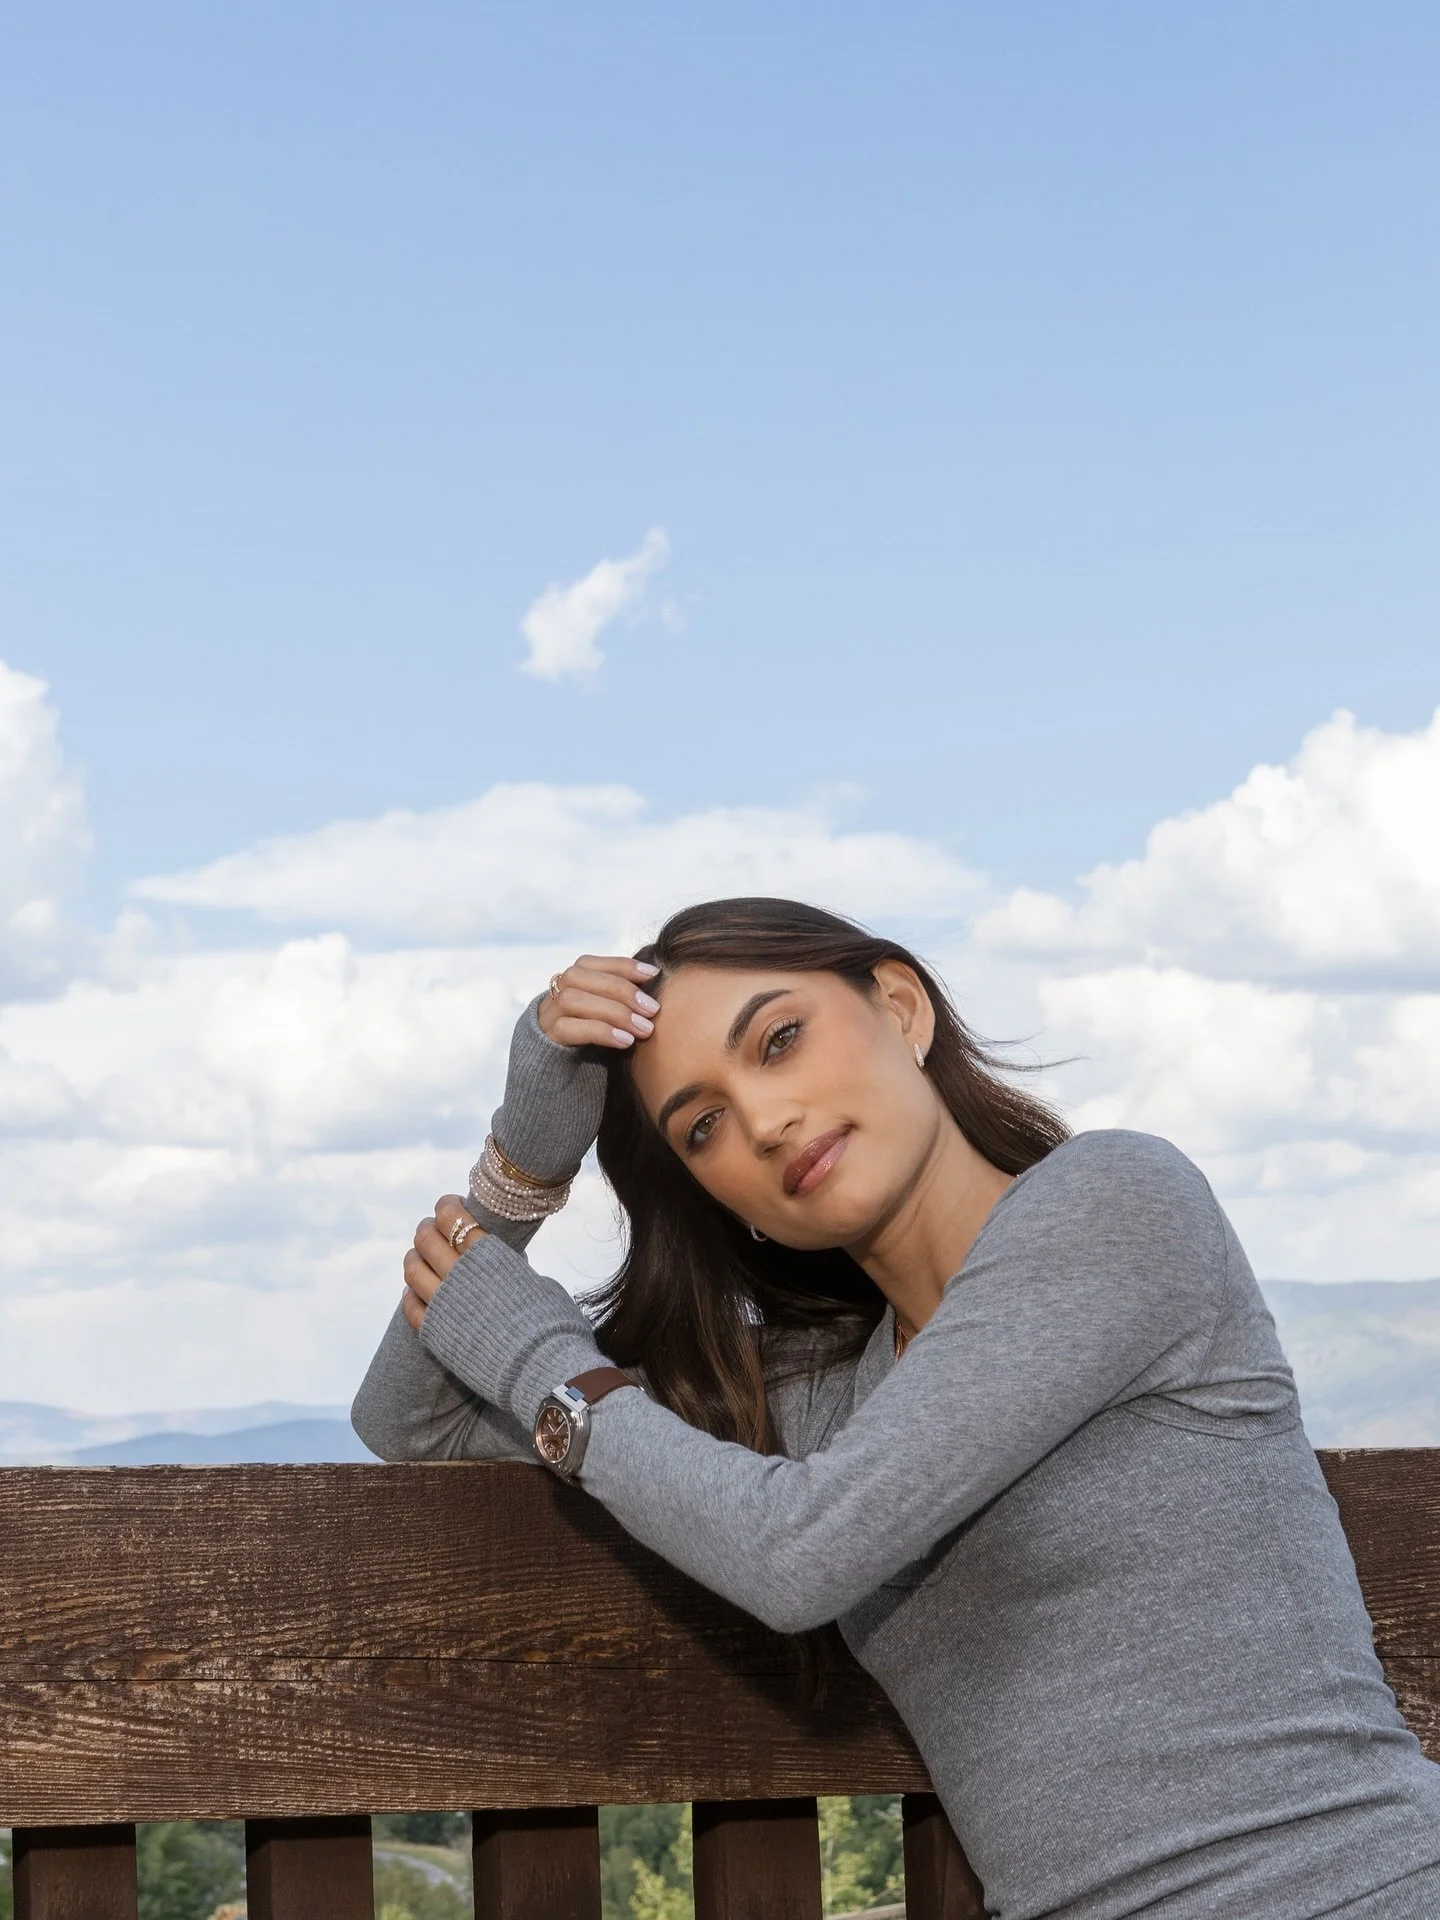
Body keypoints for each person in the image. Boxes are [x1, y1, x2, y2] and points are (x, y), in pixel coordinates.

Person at [352, 896, 1440, 1920]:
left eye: (777, 1040)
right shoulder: (830, 1400)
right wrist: (524, 1163)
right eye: (703, 1128)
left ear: (903, 1009)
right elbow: (414, 1424)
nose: (768, 1121)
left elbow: (798, 1554)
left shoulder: (1118, 1204)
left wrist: (551, 1361)